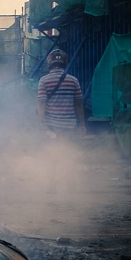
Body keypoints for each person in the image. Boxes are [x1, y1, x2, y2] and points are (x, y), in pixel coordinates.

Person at [37, 49, 86, 193]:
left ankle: (51, 186)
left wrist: (41, 123)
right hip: (69, 126)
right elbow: (78, 104)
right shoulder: (73, 80)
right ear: (64, 62)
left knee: (50, 156)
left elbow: (41, 103)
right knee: (68, 155)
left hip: (51, 127)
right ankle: (71, 185)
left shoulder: (44, 80)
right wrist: (82, 124)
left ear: (50, 64)